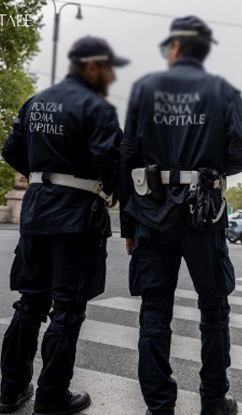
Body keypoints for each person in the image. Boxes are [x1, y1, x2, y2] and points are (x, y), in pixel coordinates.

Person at [119, 17, 242, 415]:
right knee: (213, 309)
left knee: (154, 311)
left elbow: (127, 157)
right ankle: (213, 401)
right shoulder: (222, 90)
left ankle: (159, 406)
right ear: (203, 49)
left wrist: (129, 225)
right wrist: (210, 170)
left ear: (175, 48)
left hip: (151, 211)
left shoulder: (145, 90)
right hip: (203, 213)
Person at [0, 37, 128, 414]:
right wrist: (112, 191)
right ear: (92, 66)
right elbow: (109, 159)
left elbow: (9, 149)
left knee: (29, 304)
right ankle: (52, 395)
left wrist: (42, 176)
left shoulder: (35, 101)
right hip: (76, 218)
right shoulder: (97, 107)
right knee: (68, 309)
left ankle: (9, 390)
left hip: (37, 212)